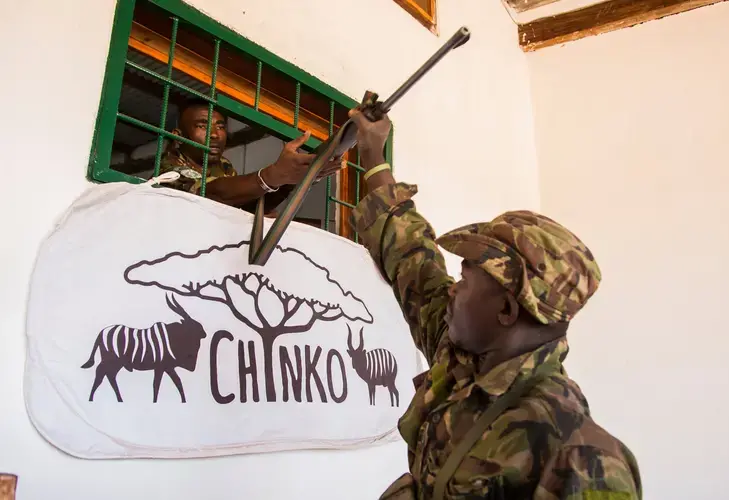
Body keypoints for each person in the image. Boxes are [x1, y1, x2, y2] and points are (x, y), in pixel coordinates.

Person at [346, 104, 642, 500]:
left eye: (465, 280)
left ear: (505, 310)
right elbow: (414, 260)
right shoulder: (463, 358)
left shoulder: (581, 461)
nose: (451, 289)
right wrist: (372, 153)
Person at [158, 98, 342, 213]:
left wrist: (291, 181)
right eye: (202, 125)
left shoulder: (223, 165)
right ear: (179, 137)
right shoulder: (169, 168)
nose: (215, 134)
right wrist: (273, 174)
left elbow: (247, 205)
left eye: (221, 127)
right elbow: (213, 193)